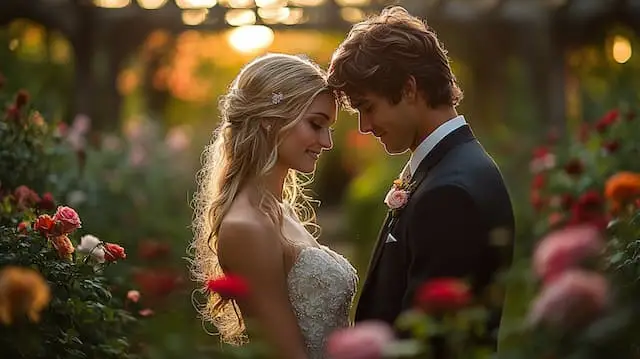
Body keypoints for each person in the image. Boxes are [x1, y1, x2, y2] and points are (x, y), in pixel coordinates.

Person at [327, 5, 515, 356]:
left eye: (368, 106)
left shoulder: (450, 192)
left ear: (409, 88)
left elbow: (432, 342)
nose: (364, 127)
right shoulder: (451, 167)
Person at [189, 53, 357, 359]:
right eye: (316, 124)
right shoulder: (246, 226)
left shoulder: (280, 210)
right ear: (269, 119)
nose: (327, 142)